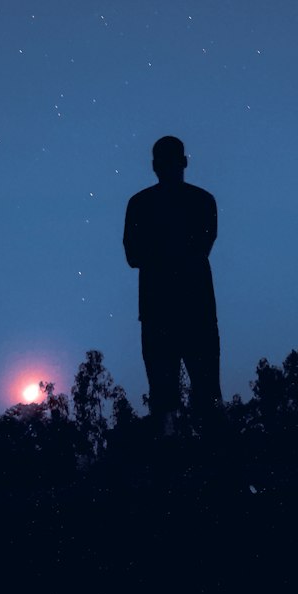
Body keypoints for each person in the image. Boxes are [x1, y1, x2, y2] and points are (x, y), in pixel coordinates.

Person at [123, 136, 222, 434]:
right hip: (192, 311)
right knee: (200, 395)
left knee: (168, 398)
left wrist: (159, 251)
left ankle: (177, 464)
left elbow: (135, 255)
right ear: (185, 161)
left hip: (163, 313)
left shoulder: (141, 205)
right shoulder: (203, 201)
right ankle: (215, 460)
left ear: (155, 165)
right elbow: (199, 247)